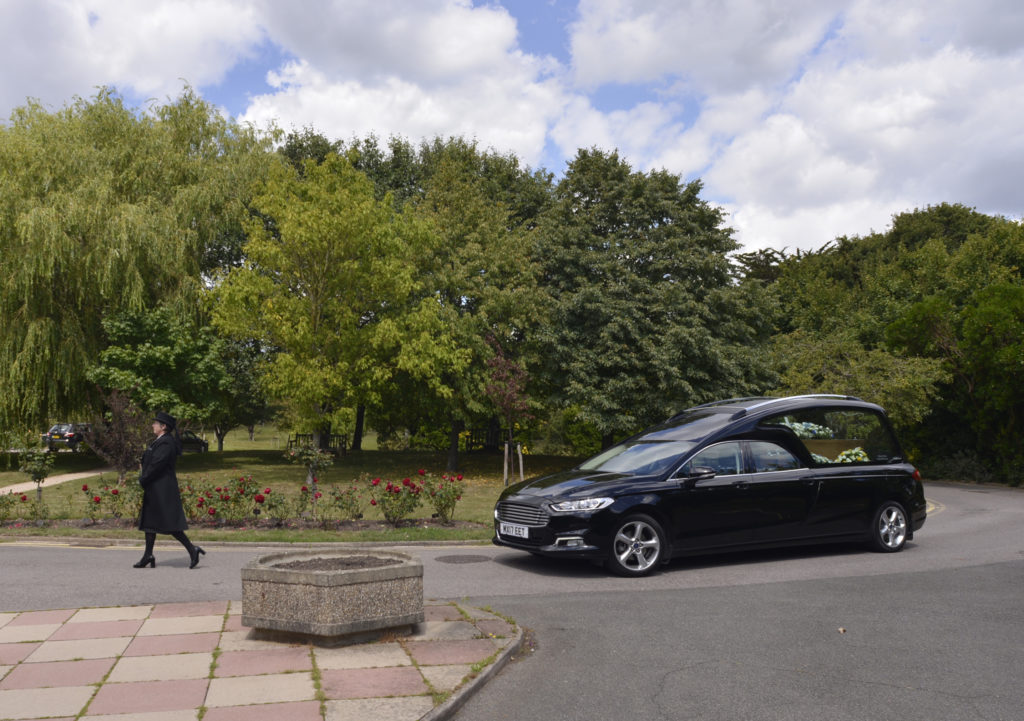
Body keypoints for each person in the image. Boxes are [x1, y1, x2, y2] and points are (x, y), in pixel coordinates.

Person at [133, 411, 205, 569]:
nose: (153, 425)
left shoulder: (166, 443)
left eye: (155, 423)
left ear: (163, 426)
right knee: (150, 523)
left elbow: (157, 465)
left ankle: (193, 549)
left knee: (170, 523)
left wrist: (143, 479)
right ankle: (148, 555)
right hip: (155, 487)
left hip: (162, 488)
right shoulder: (160, 440)